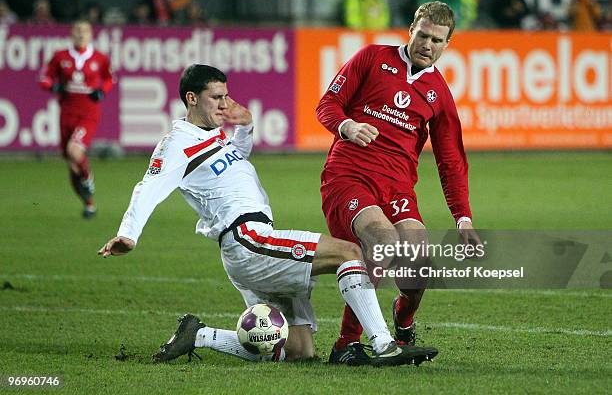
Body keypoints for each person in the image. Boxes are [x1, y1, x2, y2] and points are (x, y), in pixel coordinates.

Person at [97, 64, 438, 366]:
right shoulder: (176, 144)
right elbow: (148, 186)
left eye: (226, 96)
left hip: (250, 246)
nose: (223, 104)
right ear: (191, 99)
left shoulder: (210, 137)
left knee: (299, 349)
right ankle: (383, 345)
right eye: (215, 97)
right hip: (249, 239)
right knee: (351, 253)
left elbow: (236, 160)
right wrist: (129, 234)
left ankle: (199, 335)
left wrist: (245, 126)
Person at [317, 1, 480, 365]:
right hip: (348, 176)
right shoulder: (372, 58)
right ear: (410, 30)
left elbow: (451, 160)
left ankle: (403, 322)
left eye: (437, 40)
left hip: (397, 190)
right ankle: (347, 344)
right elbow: (328, 104)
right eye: (422, 35)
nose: (428, 44)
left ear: (447, 44)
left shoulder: (438, 94)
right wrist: (347, 126)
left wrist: (463, 218)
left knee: (419, 262)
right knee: (383, 238)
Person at [39, 20, 114, 218]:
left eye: (85, 31)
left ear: (91, 35)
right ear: (72, 33)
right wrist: (51, 86)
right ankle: (89, 204)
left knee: (75, 150)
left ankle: (89, 178)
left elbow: (109, 78)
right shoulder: (60, 56)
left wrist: (102, 91)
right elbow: (45, 77)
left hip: (88, 113)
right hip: (67, 113)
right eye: (78, 30)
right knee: (72, 164)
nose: (81, 34)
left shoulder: (99, 58)